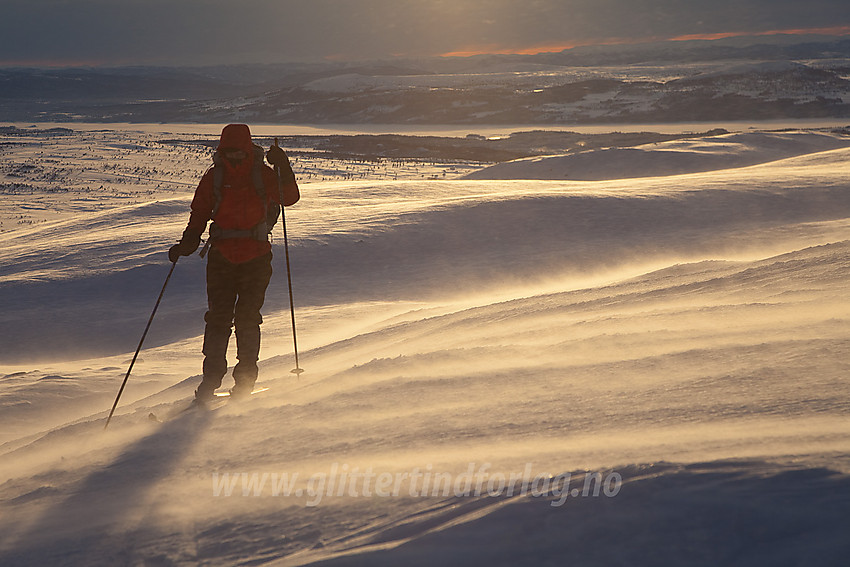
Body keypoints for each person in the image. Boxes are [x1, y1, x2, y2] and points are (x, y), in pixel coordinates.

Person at [169, 124, 300, 405]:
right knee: (221, 319)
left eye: (238, 152)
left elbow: (289, 198)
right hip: (225, 257)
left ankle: (243, 381)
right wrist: (188, 243)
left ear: (247, 149)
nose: (234, 157)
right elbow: (199, 213)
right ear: (221, 150)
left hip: (252, 257)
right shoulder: (215, 178)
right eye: (229, 151)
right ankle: (212, 380)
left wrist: (283, 167)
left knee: (244, 319)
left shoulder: (261, 175)